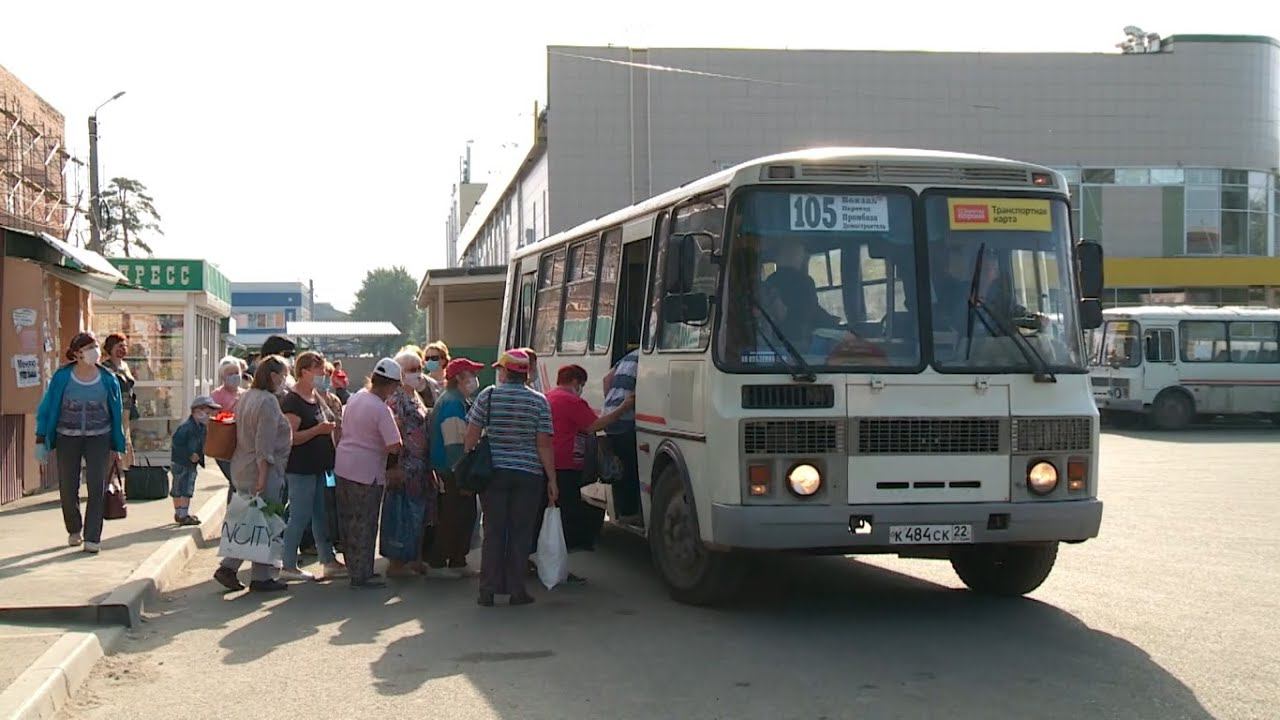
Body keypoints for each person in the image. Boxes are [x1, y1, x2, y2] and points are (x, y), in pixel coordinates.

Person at [464, 349, 558, 607]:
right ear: (526, 373)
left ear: (505, 372)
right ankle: (517, 590)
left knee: (494, 531)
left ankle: (488, 590)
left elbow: (471, 435)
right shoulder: (539, 401)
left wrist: (468, 458)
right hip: (528, 474)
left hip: (494, 473)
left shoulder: (489, 396)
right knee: (520, 532)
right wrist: (552, 479)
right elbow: (544, 444)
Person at [35, 332, 127, 554]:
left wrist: (117, 444)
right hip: (67, 436)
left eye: (95, 346)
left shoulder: (108, 378)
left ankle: (93, 536)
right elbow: (47, 408)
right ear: (76, 354)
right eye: (88, 348)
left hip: (99, 437)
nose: (94, 351)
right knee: (68, 486)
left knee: (97, 486)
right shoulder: (62, 377)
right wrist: (41, 438)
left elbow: (117, 412)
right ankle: (74, 528)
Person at [213, 355, 293, 593]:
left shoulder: (247, 395)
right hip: (261, 471)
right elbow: (264, 443)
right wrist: (262, 475)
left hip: (243, 467)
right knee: (266, 521)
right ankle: (246, 572)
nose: (285, 379)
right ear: (273, 376)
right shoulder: (267, 401)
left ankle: (254, 573)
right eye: (283, 374)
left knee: (254, 521)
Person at [546, 364, 634, 553]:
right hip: (566, 462)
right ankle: (567, 546)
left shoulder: (549, 397)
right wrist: (622, 408)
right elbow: (593, 425)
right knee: (569, 507)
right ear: (576, 382)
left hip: (550, 460)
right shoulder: (571, 401)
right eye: (582, 384)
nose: (581, 389)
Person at [334, 358, 404, 589]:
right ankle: (363, 573)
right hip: (367, 472)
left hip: (344, 467)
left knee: (348, 521)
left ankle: (354, 568)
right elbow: (394, 445)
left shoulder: (356, 398)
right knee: (365, 522)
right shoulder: (381, 408)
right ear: (391, 385)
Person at [279, 352, 344, 581]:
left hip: (319, 466)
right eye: (318, 371)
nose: (322, 375)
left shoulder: (315, 396)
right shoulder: (292, 401)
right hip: (300, 467)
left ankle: (328, 560)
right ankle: (287, 564)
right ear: (304, 371)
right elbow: (291, 437)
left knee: (320, 514)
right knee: (299, 515)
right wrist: (318, 430)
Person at [426, 357, 485, 578]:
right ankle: (440, 563)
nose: (474, 379)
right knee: (453, 516)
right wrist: (461, 475)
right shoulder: (452, 402)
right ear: (459, 378)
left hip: (453, 467)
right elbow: (453, 443)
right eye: (471, 374)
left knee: (463, 515)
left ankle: (457, 560)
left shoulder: (457, 400)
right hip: (453, 468)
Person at [379, 350, 437, 577]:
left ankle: (415, 558)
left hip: (420, 466)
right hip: (403, 466)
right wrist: (393, 466)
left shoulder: (416, 396)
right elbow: (391, 433)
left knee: (420, 514)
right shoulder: (396, 398)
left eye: (419, 368)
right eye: (412, 370)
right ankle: (397, 562)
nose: (418, 373)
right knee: (401, 515)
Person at [602, 348, 641, 526]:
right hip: (625, 418)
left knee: (620, 466)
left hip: (611, 414)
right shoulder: (648, 357)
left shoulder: (631, 355)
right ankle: (630, 512)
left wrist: (612, 403)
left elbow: (606, 379)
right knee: (631, 465)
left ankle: (623, 510)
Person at [170, 396, 220, 526]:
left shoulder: (201, 427)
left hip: (189, 463)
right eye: (207, 413)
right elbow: (176, 443)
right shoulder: (187, 427)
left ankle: (181, 513)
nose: (208, 417)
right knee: (182, 488)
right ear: (197, 412)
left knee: (183, 488)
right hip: (182, 462)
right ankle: (182, 514)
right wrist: (189, 454)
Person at [211, 356, 247, 501]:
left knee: (238, 482)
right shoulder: (216, 395)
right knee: (234, 480)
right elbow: (212, 418)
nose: (234, 377)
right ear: (222, 376)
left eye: (236, 372)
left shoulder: (245, 394)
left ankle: (234, 516)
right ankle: (232, 516)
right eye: (230, 374)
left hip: (241, 444)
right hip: (223, 446)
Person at [101, 333, 137, 470]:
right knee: (117, 439)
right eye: (119, 346)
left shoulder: (125, 365)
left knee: (126, 439)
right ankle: (114, 472)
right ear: (111, 348)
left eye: (125, 346)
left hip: (126, 409)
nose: (123, 349)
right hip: (113, 409)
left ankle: (128, 469)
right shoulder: (105, 367)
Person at [421, 341, 450, 407]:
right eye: (427, 358)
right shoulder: (423, 381)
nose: (430, 361)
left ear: (443, 360)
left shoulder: (451, 381)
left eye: (434, 358)